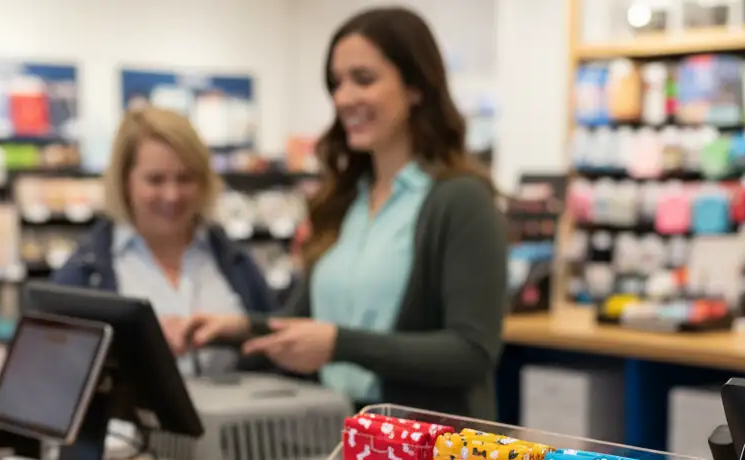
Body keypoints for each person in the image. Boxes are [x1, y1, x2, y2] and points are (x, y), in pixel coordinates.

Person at [185, 6, 507, 419]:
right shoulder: (344, 202)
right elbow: (304, 322)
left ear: (415, 87)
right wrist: (237, 329)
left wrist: (340, 345)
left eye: (364, 79)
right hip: (340, 436)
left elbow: (472, 352)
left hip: (427, 457)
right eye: (337, 84)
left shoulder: (461, 201)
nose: (343, 98)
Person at [52, 107, 275, 374]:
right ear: (125, 182)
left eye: (185, 178)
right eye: (155, 180)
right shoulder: (84, 273)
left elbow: (277, 348)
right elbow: (58, 371)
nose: (172, 195)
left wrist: (240, 332)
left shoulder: (236, 263)